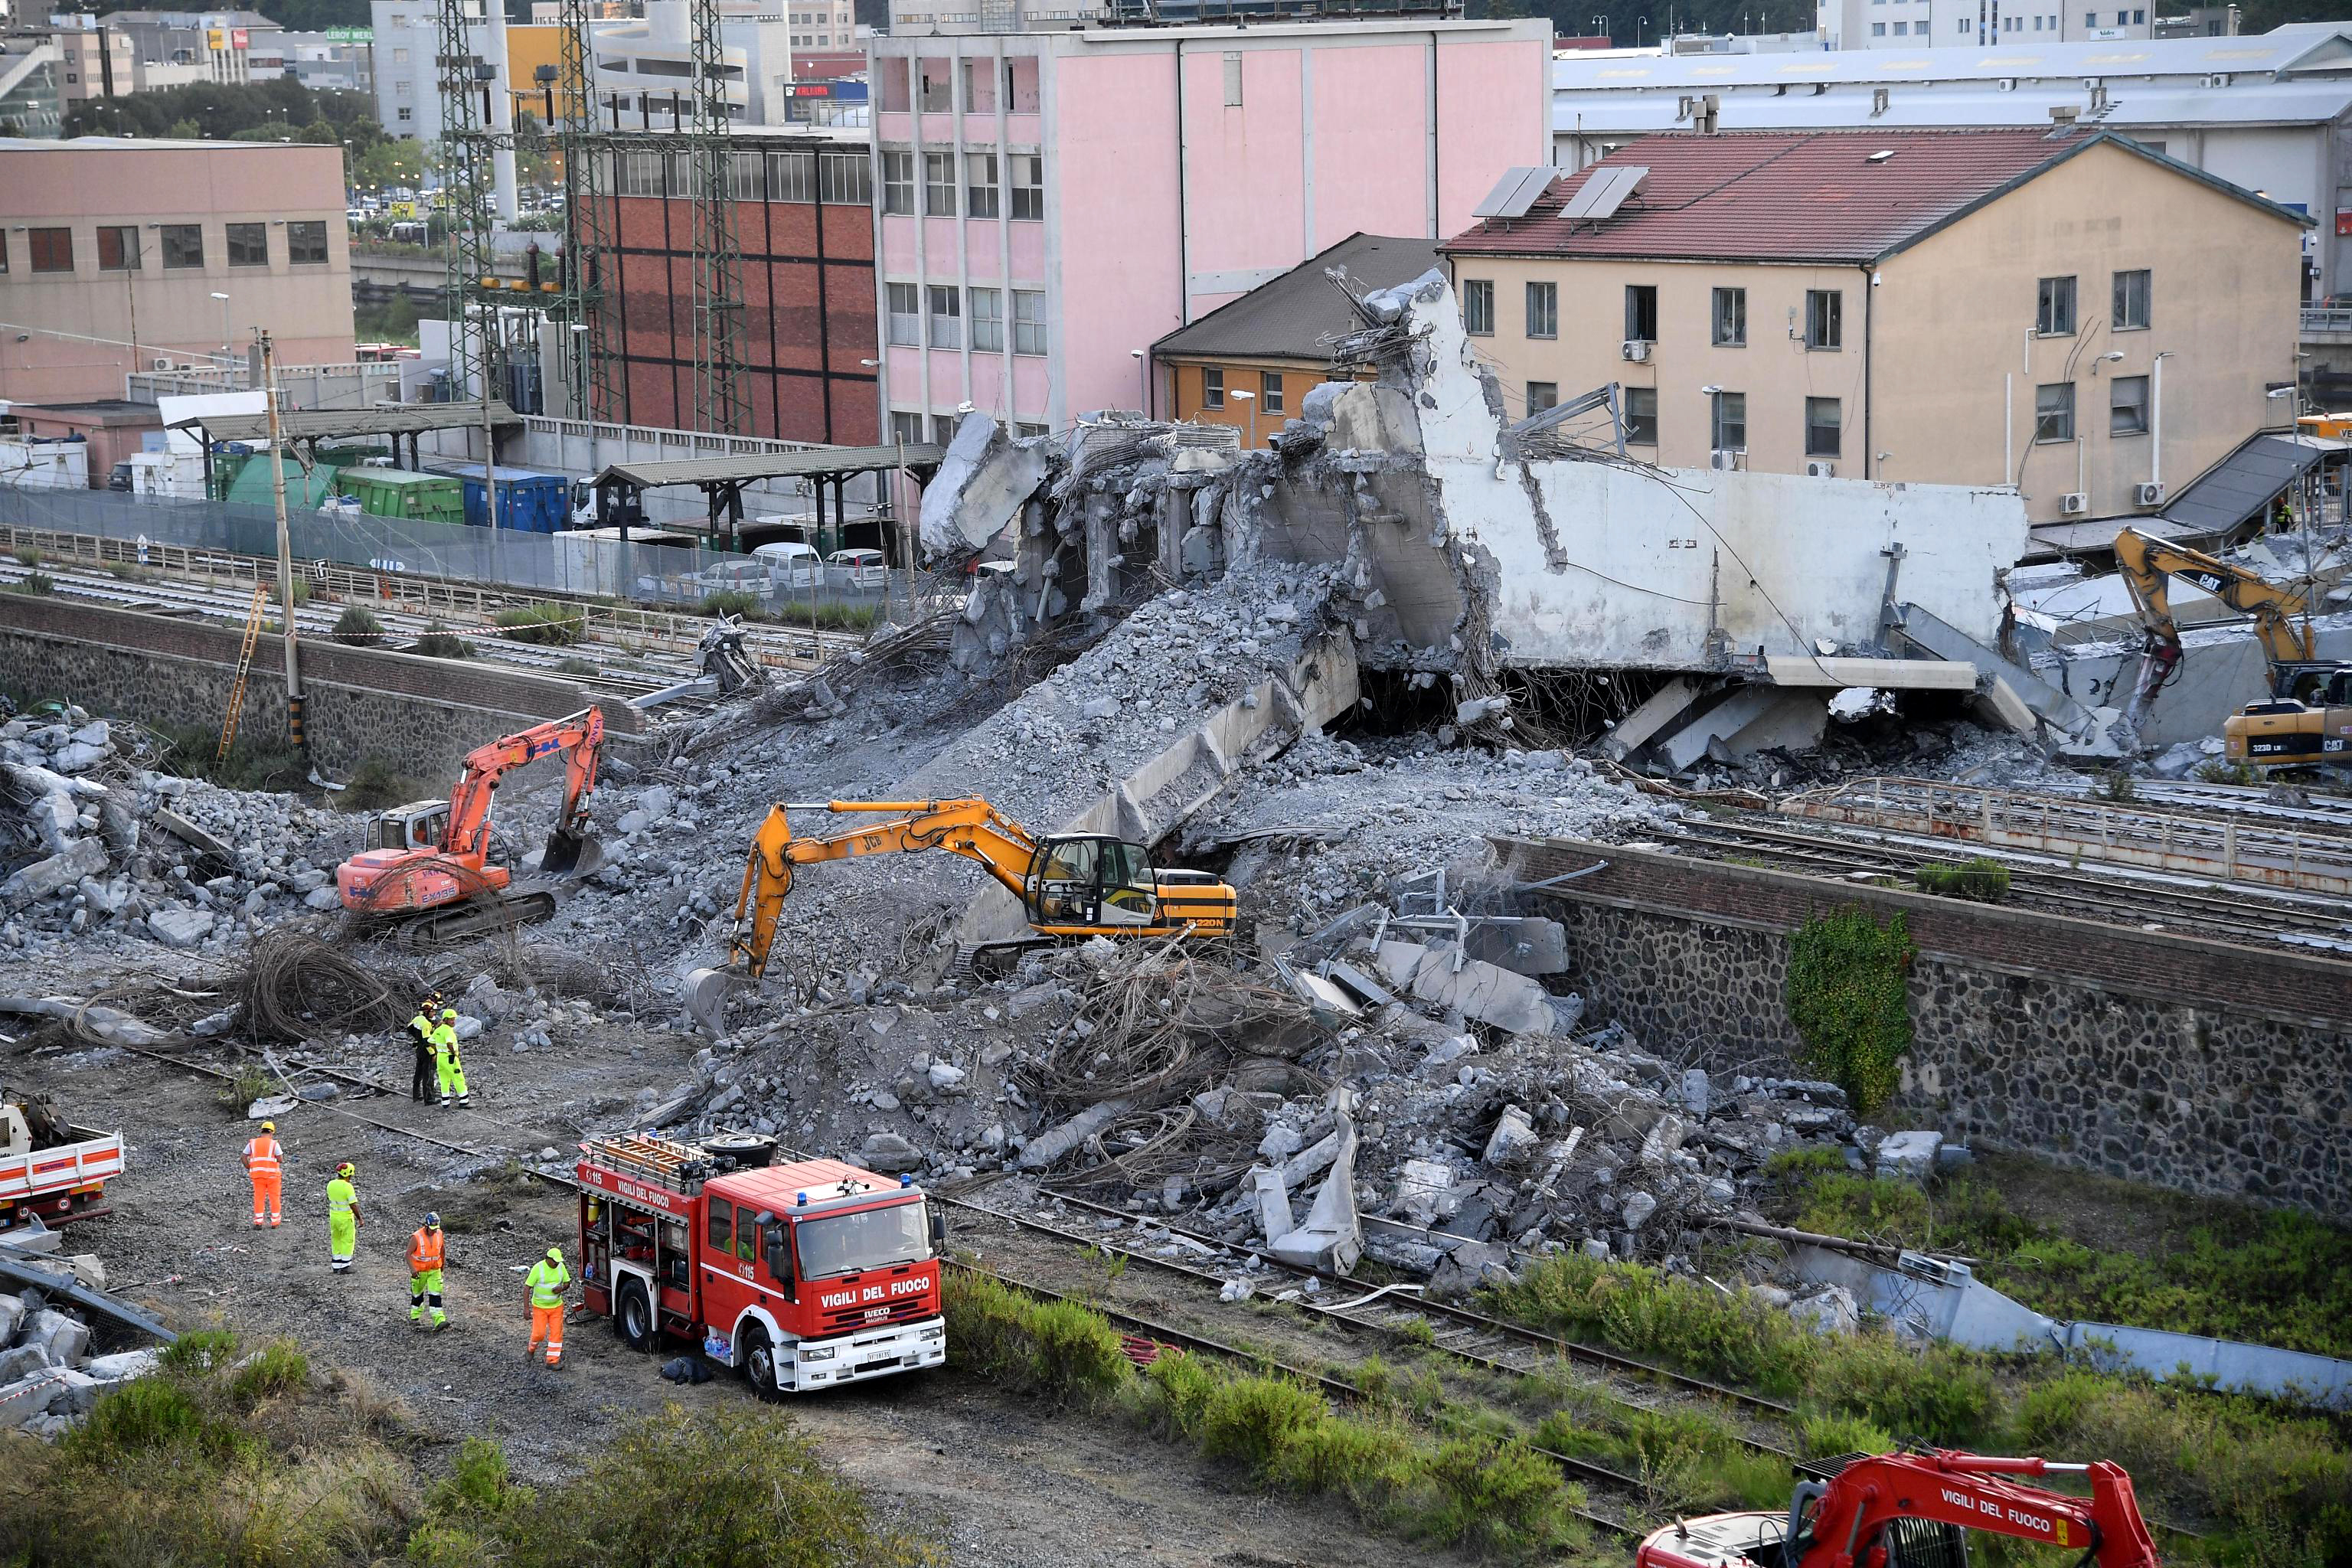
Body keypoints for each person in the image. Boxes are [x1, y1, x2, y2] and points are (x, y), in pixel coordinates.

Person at [524, 1244, 571, 1368]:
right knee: (539, 1334)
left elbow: (567, 1283)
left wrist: (562, 1288)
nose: (557, 1264)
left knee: (557, 1333)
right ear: (548, 1259)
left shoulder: (561, 1267)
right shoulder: (538, 1269)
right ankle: (531, 1348)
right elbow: (527, 1287)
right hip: (540, 1308)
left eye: (558, 1262)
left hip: (556, 1307)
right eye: (555, 1262)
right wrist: (526, 1308)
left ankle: (552, 1361)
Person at [408, 1212, 448, 1329]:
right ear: (426, 1226)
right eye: (432, 1229)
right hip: (420, 1271)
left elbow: (442, 1249)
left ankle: (439, 1320)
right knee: (417, 1294)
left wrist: (442, 1266)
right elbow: (408, 1255)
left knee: (435, 1293)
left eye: (436, 1228)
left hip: (434, 1269)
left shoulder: (439, 1234)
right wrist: (413, 1269)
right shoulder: (416, 1237)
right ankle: (415, 1316)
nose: (434, 1231)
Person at [242, 1119, 283, 1229]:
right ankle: (275, 1222)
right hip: (273, 1176)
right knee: (274, 1198)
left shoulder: (253, 1143)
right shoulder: (274, 1144)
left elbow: (243, 1157)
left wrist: (250, 1167)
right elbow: (280, 1159)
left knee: (259, 1198)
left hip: (257, 1176)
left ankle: (258, 1222)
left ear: (261, 1131)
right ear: (272, 1132)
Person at [430, 1008, 470, 1109]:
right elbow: (449, 1044)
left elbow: (431, 1041)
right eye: (451, 1019)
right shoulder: (448, 1031)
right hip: (450, 1058)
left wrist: (437, 1051)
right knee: (458, 1078)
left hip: (440, 1058)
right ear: (446, 1019)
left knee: (444, 1079)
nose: (453, 1021)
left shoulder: (438, 1030)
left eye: (454, 1019)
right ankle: (464, 1100)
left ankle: (445, 1102)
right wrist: (454, 1053)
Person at [327, 1161, 363, 1273]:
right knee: (347, 1240)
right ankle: (345, 1266)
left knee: (336, 1239)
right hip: (345, 1218)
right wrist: (360, 1218)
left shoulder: (331, 1184)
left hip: (333, 1217)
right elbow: (353, 1204)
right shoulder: (348, 1187)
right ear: (348, 1174)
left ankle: (336, 1265)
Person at [407, 993, 440, 1104]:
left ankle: (416, 1096)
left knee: (418, 1073)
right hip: (426, 1051)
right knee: (428, 1075)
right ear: (427, 1012)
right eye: (433, 1011)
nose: (434, 1013)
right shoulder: (426, 1024)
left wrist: (417, 1038)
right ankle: (429, 1099)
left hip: (419, 1049)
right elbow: (427, 1041)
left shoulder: (417, 1019)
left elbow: (409, 1028)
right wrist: (433, 1054)